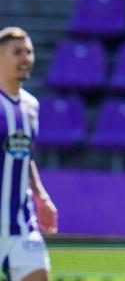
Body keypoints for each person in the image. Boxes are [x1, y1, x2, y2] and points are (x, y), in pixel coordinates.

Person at [0, 27, 58, 281]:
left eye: (29, 52)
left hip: (22, 223)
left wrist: (40, 195)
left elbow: (23, 155)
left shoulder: (31, 106)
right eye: (17, 52)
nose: (26, 58)